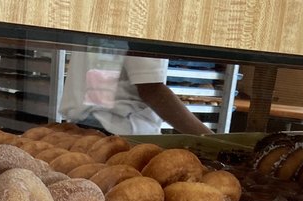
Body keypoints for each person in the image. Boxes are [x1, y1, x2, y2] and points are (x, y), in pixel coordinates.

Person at [60, 50, 213, 136]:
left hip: (82, 128)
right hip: (119, 135)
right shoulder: (144, 10)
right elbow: (151, 90)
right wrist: (212, 141)